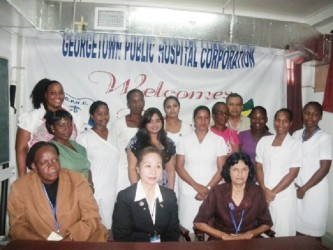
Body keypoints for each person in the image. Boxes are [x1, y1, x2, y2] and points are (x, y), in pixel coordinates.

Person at [7, 141, 108, 241]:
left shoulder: (77, 180)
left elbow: (91, 216)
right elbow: (17, 226)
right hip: (42, 242)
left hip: (80, 239)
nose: (52, 166)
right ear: (34, 166)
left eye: (55, 160)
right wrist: (42, 244)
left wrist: (70, 239)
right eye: (44, 163)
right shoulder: (20, 188)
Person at [193, 153, 273, 240]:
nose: (240, 174)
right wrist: (223, 235)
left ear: (249, 171)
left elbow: (267, 223)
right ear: (228, 171)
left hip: (249, 240)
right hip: (221, 241)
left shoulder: (257, 192)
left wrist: (251, 233)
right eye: (235, 169)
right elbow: (198, 222)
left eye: (244, 169)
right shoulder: (217, 192)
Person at [15, 78, 82, 177]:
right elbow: (21, 149)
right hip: (40, 175)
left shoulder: (72, 116)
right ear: (46, 95)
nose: (58, 96)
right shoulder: (32, 117)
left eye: (61, 92)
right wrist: (22, 178)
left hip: (68, 176)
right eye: (53, 93)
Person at [112, 146, 180, 242]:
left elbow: (173, 232)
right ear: (138, 169)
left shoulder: (170, 196)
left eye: (158, 166)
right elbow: (121, 236)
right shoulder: (125, 197)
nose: (153, 171)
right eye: (148, 166)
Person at [176, 105, 227, 232]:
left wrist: (207, 188)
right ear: (194, 120)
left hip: (212, 192)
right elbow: (179, 166)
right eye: (199, 118)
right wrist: (196, 186)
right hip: (189, 192)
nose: (203, 121)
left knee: (210, 229)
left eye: (206, 118)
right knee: (187, 229)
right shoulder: (184, 140)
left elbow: (222, 169)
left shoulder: (218, 141)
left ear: (210, 119)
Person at [256, 108, 302, 237]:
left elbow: (293, 173)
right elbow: (259, 166)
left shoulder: (295, 144)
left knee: (283, 232)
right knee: (264, 231)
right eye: (278, 120)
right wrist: (264, 189)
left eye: (285, 121)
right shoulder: (264, 141)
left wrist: (273, 192)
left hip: (283, 196)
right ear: (274, 121)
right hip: (264, 193)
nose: (280, 124)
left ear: (290, 123)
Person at [77, 101, 120, 230]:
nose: (104, 117)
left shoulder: (114, 136)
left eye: (106, 113)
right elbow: (81, 166)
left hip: (110, 190)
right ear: (92, 116)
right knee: (91, 228)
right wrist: (88, 186)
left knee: (107, 228)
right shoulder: (84, 138)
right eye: (99, 114)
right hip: (92, 190)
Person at [292, 102, 332, 239]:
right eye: (307, 113)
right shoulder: (296, 135)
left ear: (320, 117)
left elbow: (325, 168)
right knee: (296, 230)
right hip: (296, 189)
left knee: (313, 233)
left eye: (315, 114)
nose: (310, 117)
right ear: (302, 114)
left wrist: (304, 189)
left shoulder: (324, 138)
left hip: (314, 191)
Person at [127, 107, 176, 189]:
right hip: (143, 187)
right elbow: (132, 168)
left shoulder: (168, 143)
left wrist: (170, 192)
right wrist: (136, 191)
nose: (154, 125)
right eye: (150, 122)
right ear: (144, 124)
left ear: (162, 122)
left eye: (157, 121)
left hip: (163, 187)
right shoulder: (136, 142)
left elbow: (170, 170)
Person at [110, 89, 145, 193]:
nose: (137, 104)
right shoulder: (118, 124)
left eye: (140, 100)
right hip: (123, 171)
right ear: (128, 104)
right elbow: (112, 149)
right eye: (134, 101)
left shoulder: (149, 123)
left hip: (145, 172)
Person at [44, 110, 91, 181]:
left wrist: (91, 185)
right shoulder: (49, 149)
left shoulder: (79, 147)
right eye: (62, 125)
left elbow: (87, 168)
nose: (67, 129)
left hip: (85, 189)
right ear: (52, 128)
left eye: (70, 125)